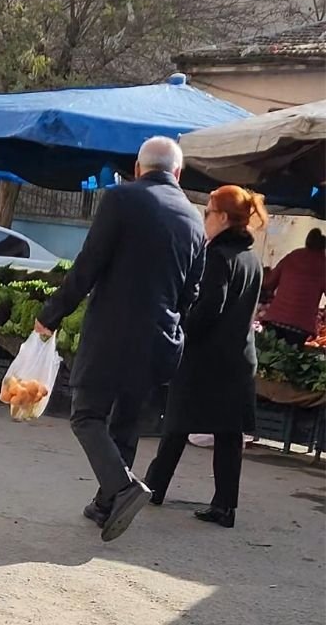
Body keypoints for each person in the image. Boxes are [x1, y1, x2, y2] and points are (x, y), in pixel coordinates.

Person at [35, 136, 206, 542]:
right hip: (161, 339)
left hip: (113, 333)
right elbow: (191, 293)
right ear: (178, 174)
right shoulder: (194, 218)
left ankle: (124, 488)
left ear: (137, 167)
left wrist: (51, 314)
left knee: (87, 415)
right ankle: (106, 504)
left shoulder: (121, 199)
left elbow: (88, 265)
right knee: (126, 424)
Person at [144, 186, 267, 529]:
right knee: (229, 434)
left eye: (209, 212)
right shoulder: (251, 259)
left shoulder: (217, 257)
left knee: (177, 423)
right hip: (239, 358)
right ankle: (225, 506)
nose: (205, 218)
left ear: (225, 218)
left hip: (206, 359)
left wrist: (180, 329)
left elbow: (210, 306)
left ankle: (154, 486)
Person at [261, 228, 325, 344]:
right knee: (290, 358)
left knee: (268, 353)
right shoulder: (323, 264)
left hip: (276, 319)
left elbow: (269, 283)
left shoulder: (293, 255)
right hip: (300, 326)